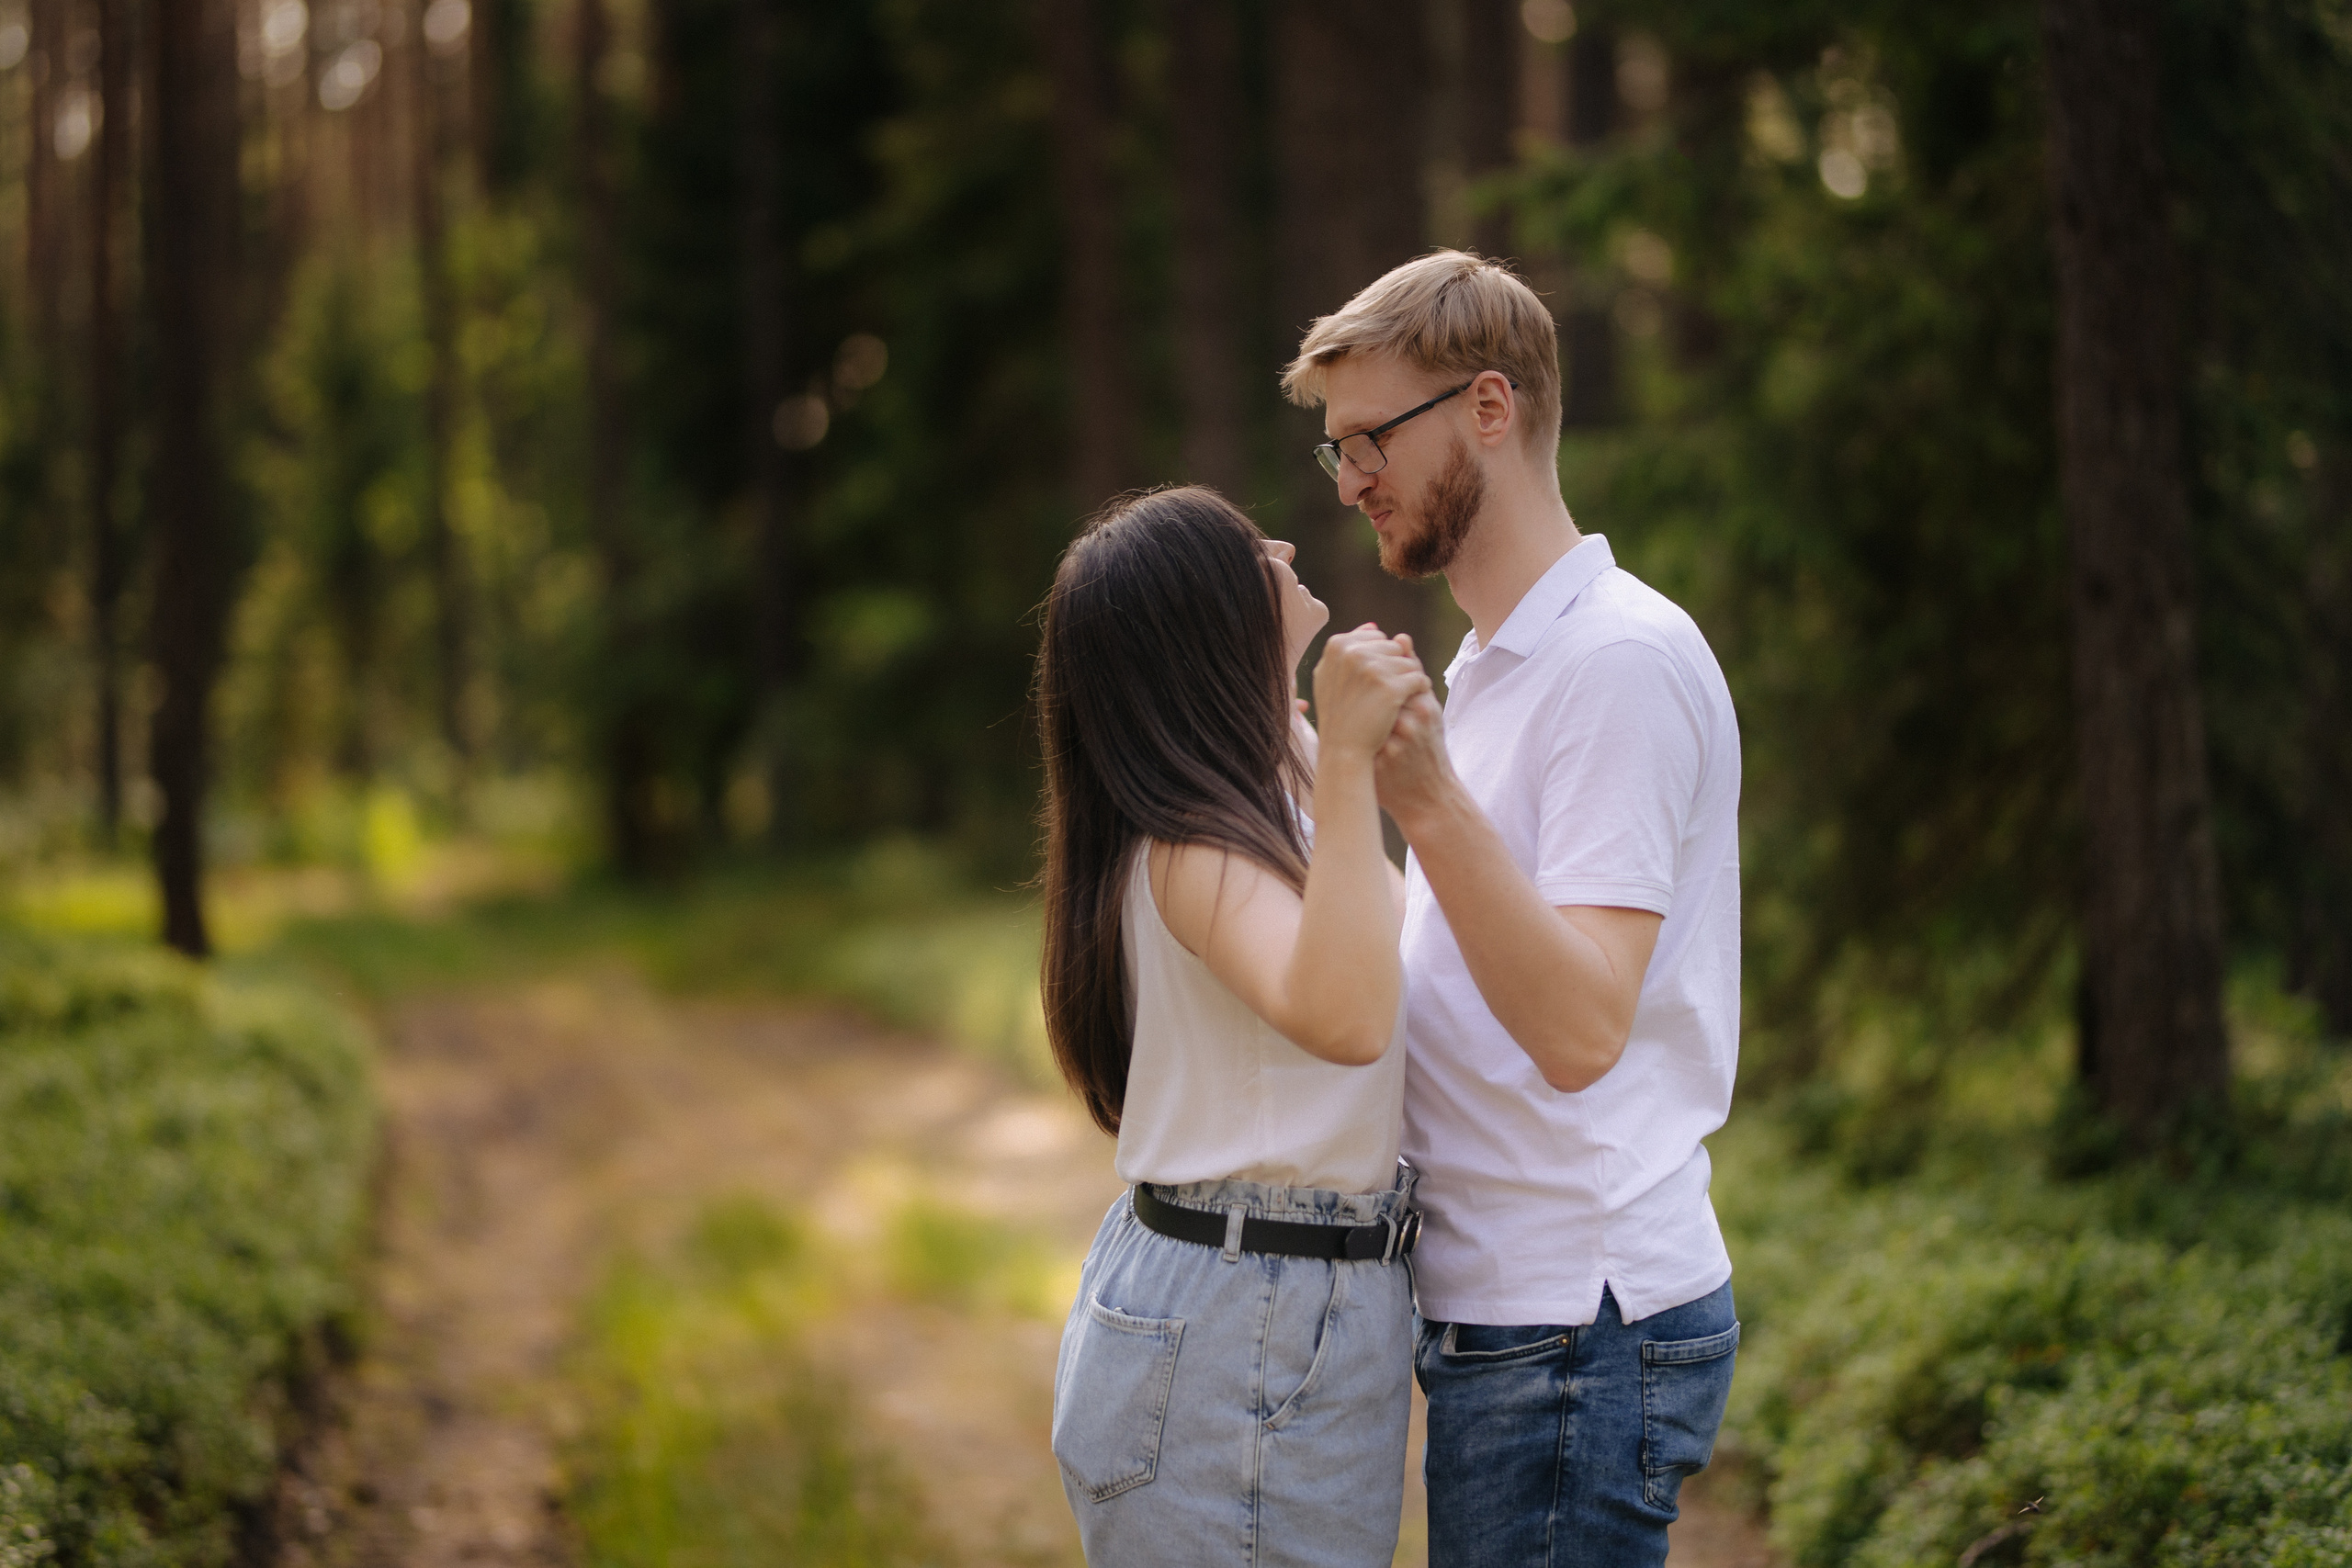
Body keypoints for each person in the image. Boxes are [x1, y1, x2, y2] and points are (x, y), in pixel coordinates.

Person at [1281, 251, 1745, 1567]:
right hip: (1516, 1314)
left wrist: (1420, 795)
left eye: (1371, 436)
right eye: (1336, 450)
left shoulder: (1618, 661)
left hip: (1575, 1321)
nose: (1352, 475)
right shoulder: (1496, 663)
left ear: (1490, 407)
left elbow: (1585, 1023)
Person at [1034, 485, 1432, 1567]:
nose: (1285, 545)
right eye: (1245, 552)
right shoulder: (1193, 847)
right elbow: (1346, 1018)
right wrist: (1349, 765)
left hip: (1282, 1303)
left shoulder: (1273, 775)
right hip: (1242, 1312)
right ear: (1203, 625)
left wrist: (1324, 736)